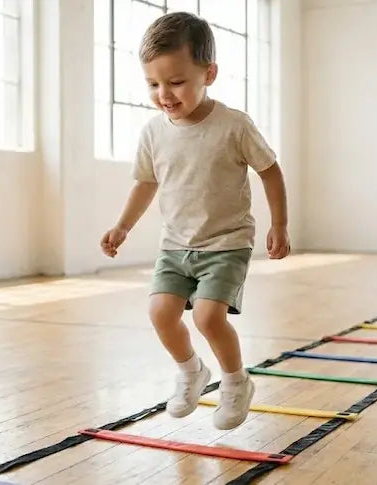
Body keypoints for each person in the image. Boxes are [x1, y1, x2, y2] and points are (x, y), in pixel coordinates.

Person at [100, 11, 290, 430]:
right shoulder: (153, 132)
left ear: (209, 73)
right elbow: (146, 183)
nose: (164, 93)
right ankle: (191, 372)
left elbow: (270, 170)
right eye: (153, 84)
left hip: (226, 243)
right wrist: (123, 226)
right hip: (175, 246)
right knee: (160, 313)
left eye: (177, 81)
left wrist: (279, 225)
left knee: (207, 316)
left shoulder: (234, 125)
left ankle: (236, 382)